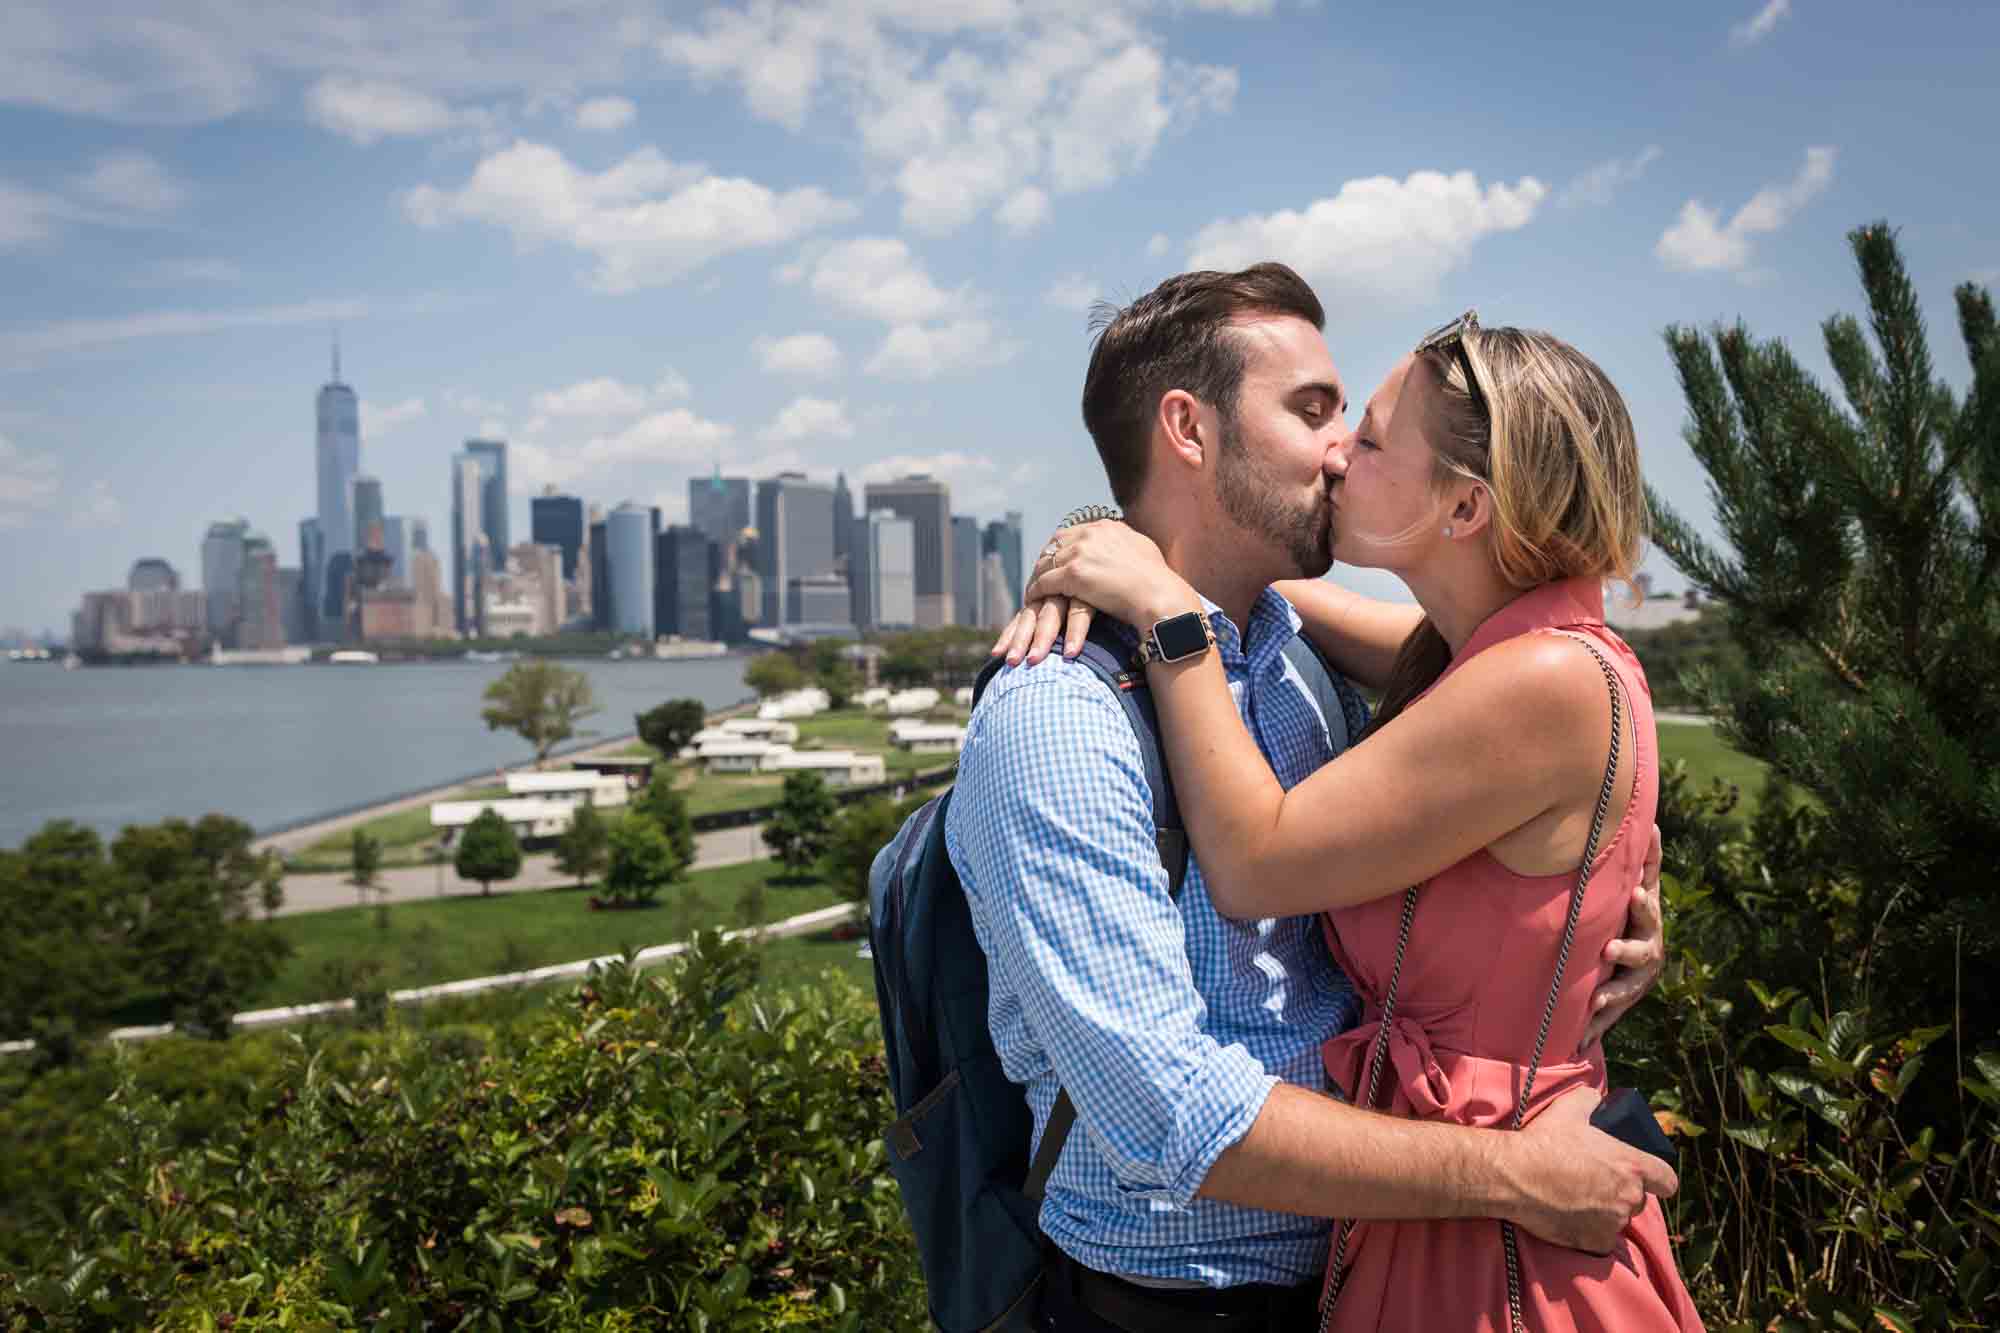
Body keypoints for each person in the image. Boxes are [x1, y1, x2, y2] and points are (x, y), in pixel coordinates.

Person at [952, 263, 1675, 1333]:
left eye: (1361, 429)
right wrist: (1518, 1172)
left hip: (1412, 1251)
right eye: (1314, 411)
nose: (1341, 450)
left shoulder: (1300, 665)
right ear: (1189, 431)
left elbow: (1286, 847)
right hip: (1190, 1299)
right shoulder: (1059, 719)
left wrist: (1585, 934)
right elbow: (1165, 1115)